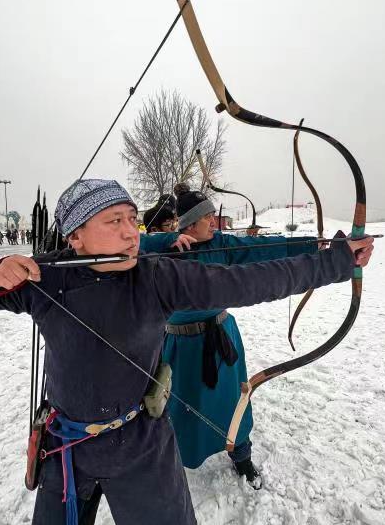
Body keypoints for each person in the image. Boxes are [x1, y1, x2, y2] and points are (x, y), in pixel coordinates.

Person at [0, 178, 374, 525]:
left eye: (133, 220)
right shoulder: (47, 279)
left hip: (141, 443)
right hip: (66, 448)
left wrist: (334, 263)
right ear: (75, 236)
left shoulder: (156, 278)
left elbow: (249, 281)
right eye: (114, 221)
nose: (129, 232)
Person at [139, 183, 326, 487]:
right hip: (177, 345)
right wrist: (169, 239)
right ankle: (175, 461)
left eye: (213, 216)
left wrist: (313, 244)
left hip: (220, 338)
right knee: (180, 410)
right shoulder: (162, 249)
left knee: (232, 403)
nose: (213, 221)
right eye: (206, 218)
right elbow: (131, 247)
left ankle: (242, 456)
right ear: (188, 224)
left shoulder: (221, 244)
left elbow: (264, 248)